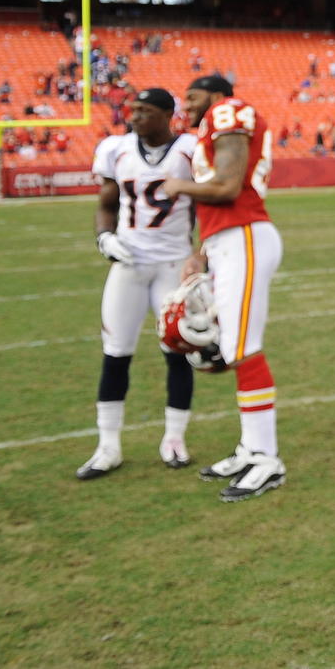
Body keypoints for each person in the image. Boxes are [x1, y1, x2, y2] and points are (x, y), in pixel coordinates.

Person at [158, 73, 286, 501]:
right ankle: (251, 448)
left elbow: (228, 186)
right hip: (227, 240)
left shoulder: (226, 111)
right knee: (234, 347)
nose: (187, 106)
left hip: (245, 235)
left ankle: (266, 459)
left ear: (215, 95)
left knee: (243, 348)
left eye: (192, 97)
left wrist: (178, 185)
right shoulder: (214, 120)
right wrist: (201, 250)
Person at [76, 88, 200, 480]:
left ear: (167, 114)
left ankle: (174, 439)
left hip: (173, 264)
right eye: (133, 109)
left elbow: (207, 205)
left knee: (176, 351)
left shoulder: (190, 150)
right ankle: (107, 446)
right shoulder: (116, 148)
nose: (134, 117)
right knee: (116, 353)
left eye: (145, 111)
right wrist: (104, 237)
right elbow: (107, 203)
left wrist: (201, 254)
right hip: (128, 264)